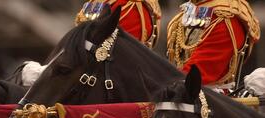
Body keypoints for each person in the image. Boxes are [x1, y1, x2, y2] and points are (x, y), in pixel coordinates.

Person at [18, 0, 162, 87]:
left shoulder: (131, 5)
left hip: (102, 83)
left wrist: (50, 74)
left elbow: (108, 56)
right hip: (82, 76)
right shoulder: (97, 2)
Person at [167, 0, 261, 90]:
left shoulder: (224, 18)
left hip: (208, 100)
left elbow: (197, 73)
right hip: (181, 92)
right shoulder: (201, 8)